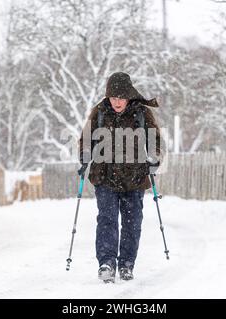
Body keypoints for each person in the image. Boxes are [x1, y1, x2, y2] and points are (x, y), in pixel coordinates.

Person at [78, 72, 163, 283]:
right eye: (113, 97)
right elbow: (86, 138)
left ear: (129, 96)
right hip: (104, 176)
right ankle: (106, 263)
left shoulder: (141, 113)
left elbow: (155, 140)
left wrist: (154, 157)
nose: (116, 102)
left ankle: (126, 263)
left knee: (132, 222)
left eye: (120, 97)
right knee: (107, 220)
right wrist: (85, 155)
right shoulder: (100, 111)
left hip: (134, 178)